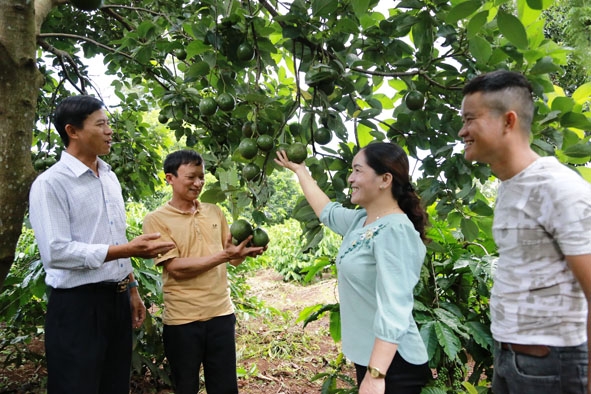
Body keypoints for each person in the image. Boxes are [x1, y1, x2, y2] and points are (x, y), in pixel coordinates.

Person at [28, 95, 176, 394]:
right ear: (73, 131)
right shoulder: (51, 183)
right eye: (101, 124)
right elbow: (56, 252)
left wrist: (132, 287)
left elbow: (115, 237)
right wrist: (129, 251)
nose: (110, 131)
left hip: (117, 300)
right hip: (77, 306)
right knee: (76, 386)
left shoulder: (109, 177)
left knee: (114, 384)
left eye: (109, 123)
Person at [459, 70, 591, 393]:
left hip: (551, 366)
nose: (462, 131)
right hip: (510, 359)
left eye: (469, 119)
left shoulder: (558, 188)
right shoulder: (508, 186)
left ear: (508, 121)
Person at [275, 142, 431, 394]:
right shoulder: (362, 221)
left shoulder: (395, 230)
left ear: (385, 179)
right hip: (371, 359)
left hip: (393, 367)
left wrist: (376, 375)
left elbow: (395, 308)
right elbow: (326, 211)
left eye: (358, 170)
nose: (350, 178)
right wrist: (300, 170)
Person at [142, 149, 266, 394]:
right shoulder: (156, 220)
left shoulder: (214, 212)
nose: (198, 183)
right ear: (170, 178)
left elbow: (230, 258)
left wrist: (243, 253)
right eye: (191, 177)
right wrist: (225, 255)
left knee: (225, 388)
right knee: (186, 387)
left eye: (201, 177)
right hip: (182, 321)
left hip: (221, 315)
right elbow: (175, 268)